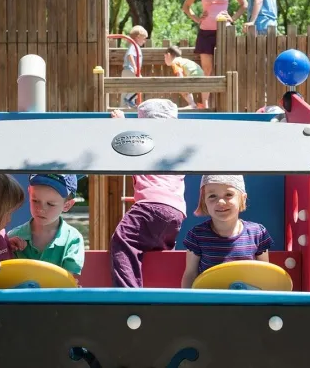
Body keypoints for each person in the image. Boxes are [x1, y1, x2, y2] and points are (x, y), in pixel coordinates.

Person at [110, 99, 187, 288]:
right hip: (176, 212)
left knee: (123, 240)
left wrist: (120, 124)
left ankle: (129, 294)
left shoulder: (143, 145)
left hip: (151, 205)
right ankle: (163, 290)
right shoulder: (176, 147)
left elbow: (124, 143)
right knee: (159, 253)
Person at [181, 175, 274, 288]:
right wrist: (189, 303)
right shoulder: (197, 235)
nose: (220, 202)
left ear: (242, 198)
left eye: (228, 195)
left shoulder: (258, 233)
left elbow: (265, 273)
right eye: (212, 196)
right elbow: (190, 274)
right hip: (210, 300)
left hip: (246, 301)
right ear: (204, 201)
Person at [182, 0, 247, 106]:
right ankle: (205, 105)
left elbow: (244, 4)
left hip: (224, 32)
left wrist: (233, 18)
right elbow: (186, 6)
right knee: (207, 69)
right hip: (206, 31)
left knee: (227, 67)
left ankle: (228, 103)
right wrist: (197, 19)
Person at [7, 173, 85, 278]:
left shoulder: (73, 239)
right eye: (35, 201)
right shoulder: (13, 237)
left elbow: (68, 282)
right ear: (29, 192)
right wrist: (6, 247)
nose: (40, 209)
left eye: (50, 204)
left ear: (67, 205)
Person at [122, 25, 148, 108]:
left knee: (134, 87)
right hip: (130, 70)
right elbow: (130, 55)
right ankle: (128, 99)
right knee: (141, 84)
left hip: (129, 70)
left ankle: (128, 103)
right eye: (144, 39)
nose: (144, 41)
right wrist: (135, 67)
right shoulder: (134, 45)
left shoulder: (135, 46)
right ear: (138, 37)